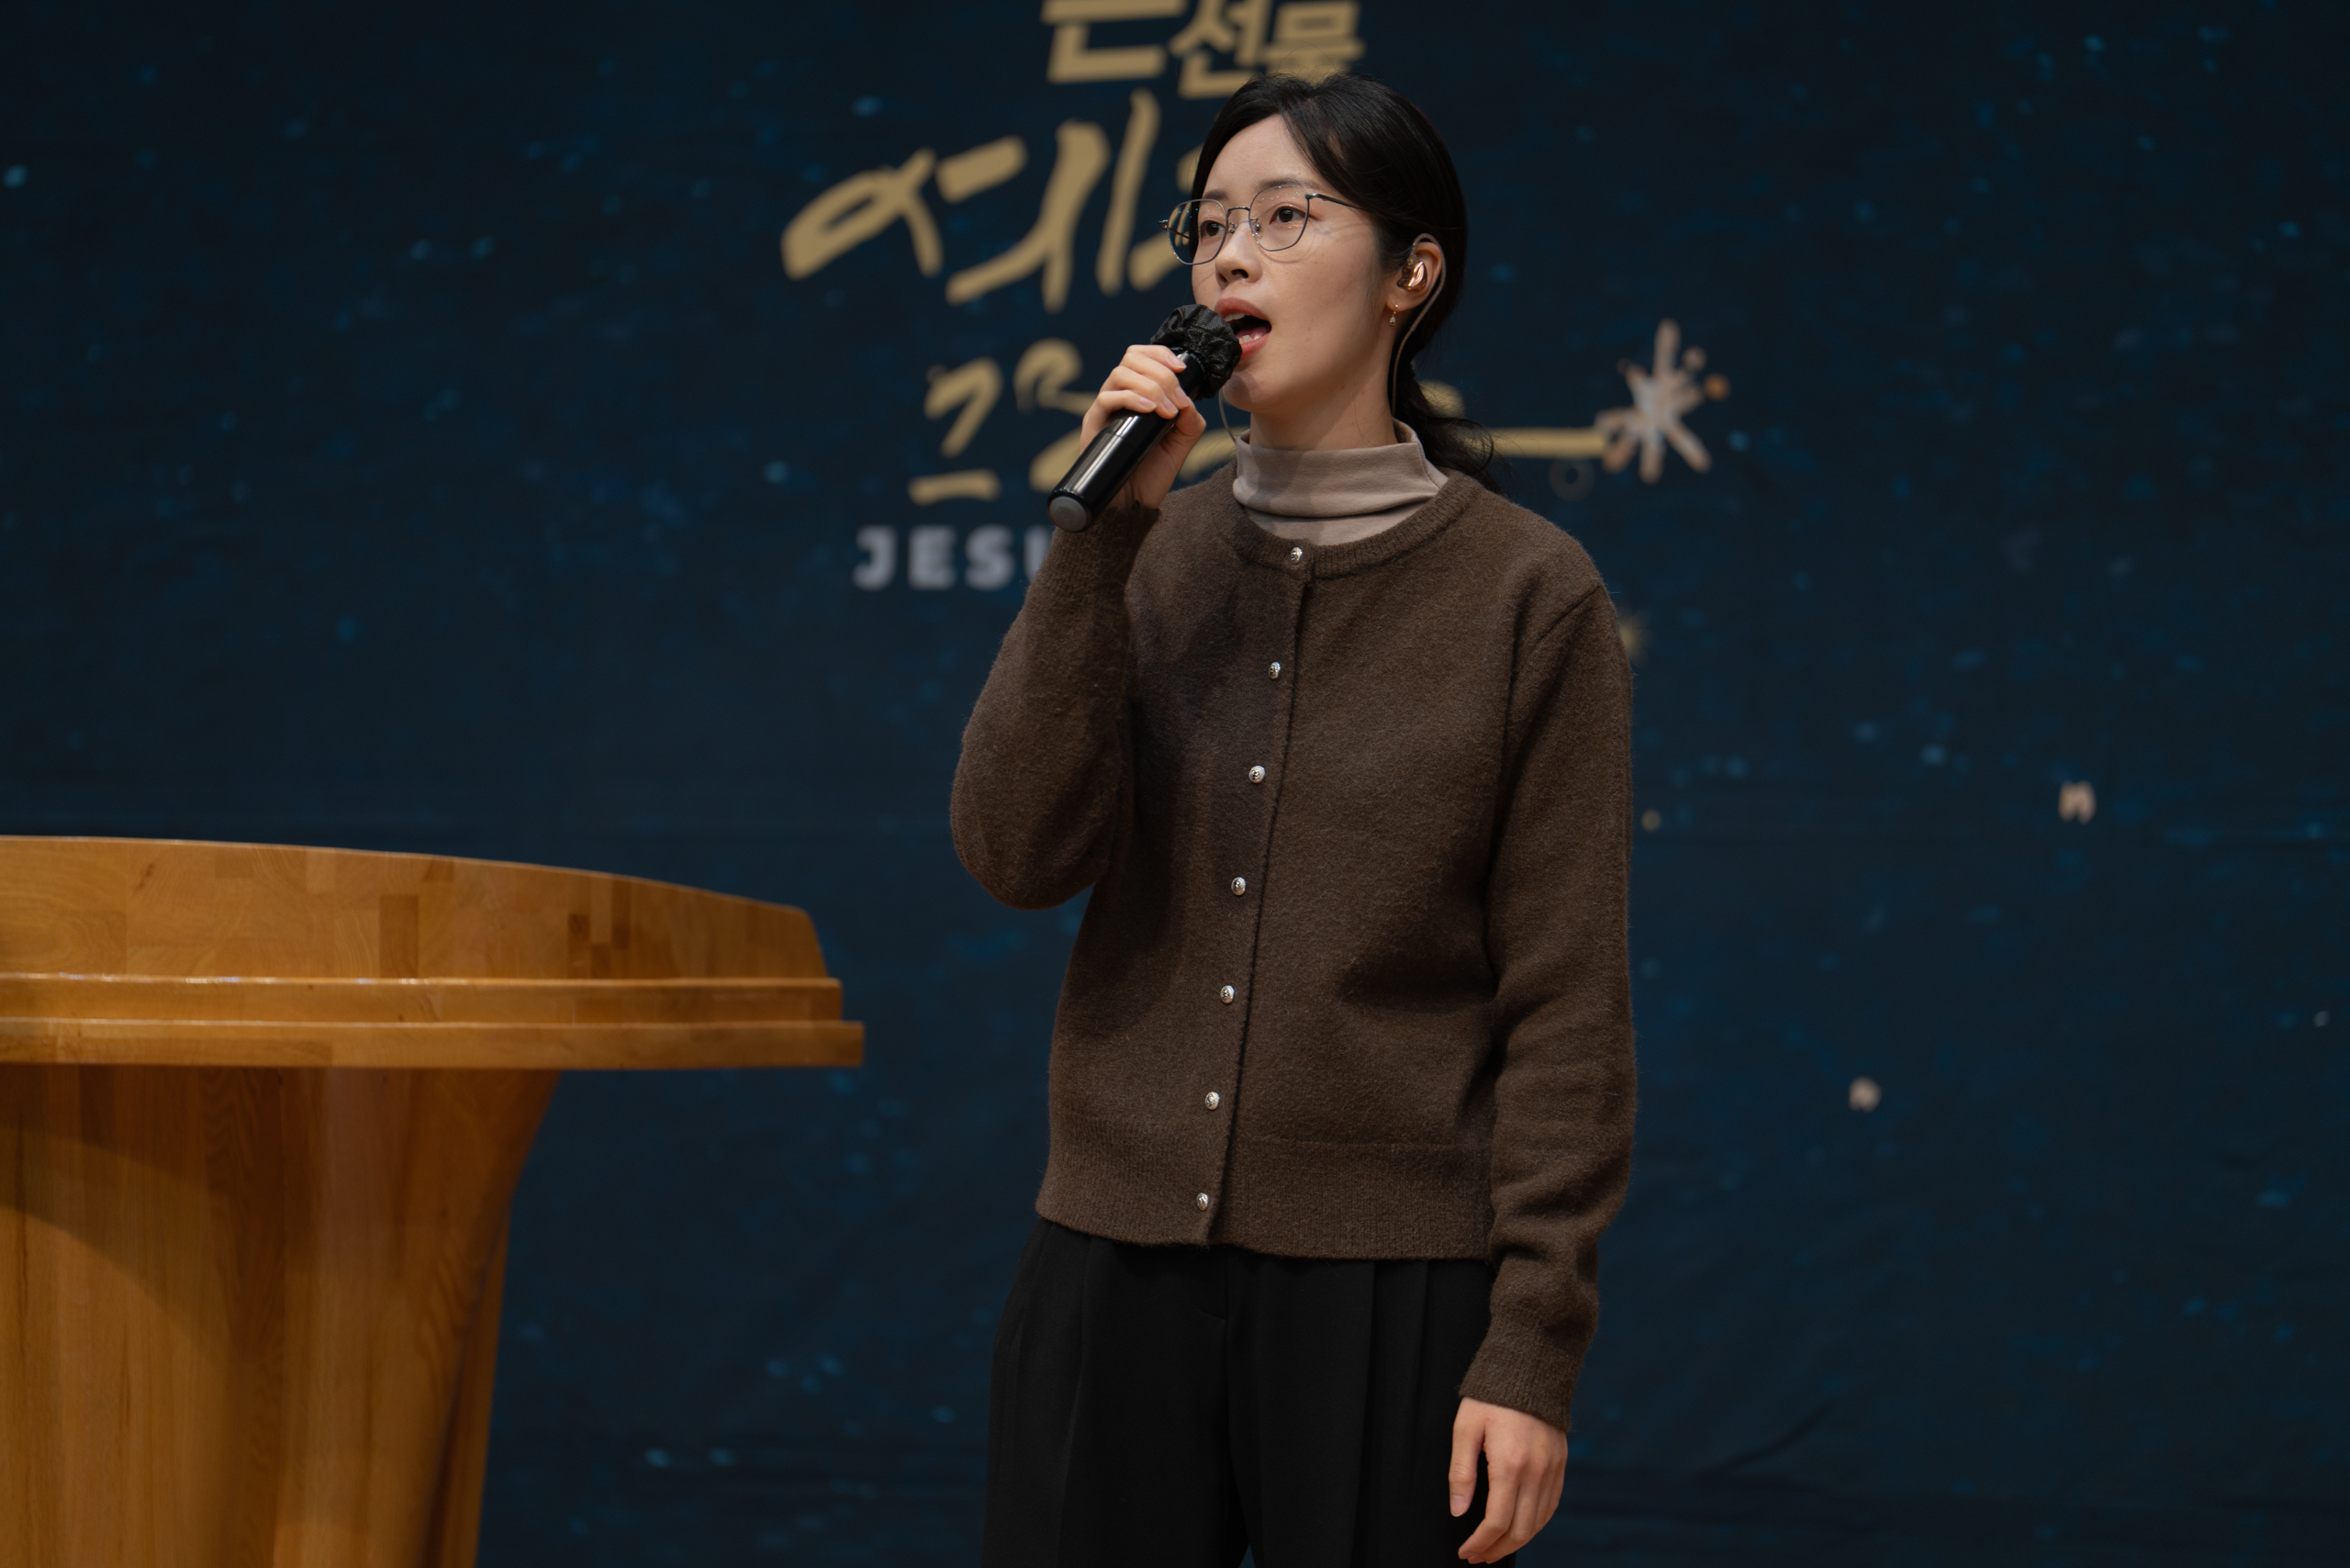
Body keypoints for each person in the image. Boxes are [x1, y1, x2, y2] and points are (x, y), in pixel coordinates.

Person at [952, 71, 1635, 1568]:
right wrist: (1096, 551)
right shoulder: (1147, 551)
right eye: (1207, 227)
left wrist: (1532, 1345)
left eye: (1283, 217)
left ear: (1410, 274)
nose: (1229, 260)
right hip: (1111, 1264)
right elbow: (1013, 854)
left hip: (1392, 1291)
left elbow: (1569, 1005)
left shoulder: (1530, 595)